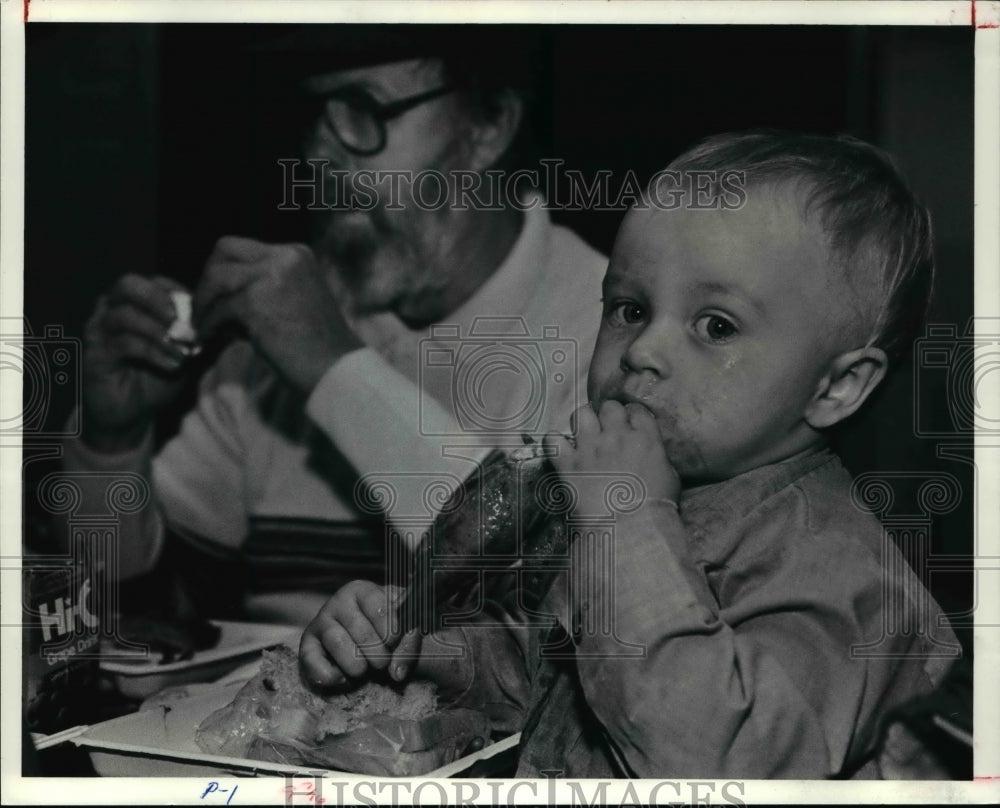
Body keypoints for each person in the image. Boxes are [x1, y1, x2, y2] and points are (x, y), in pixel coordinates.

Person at [300, 131, 961, 778]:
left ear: (837, 386)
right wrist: (432, 656)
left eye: (716, 326)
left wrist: (625, 527)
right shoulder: (648, 497)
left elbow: (716, 759)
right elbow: (568, 683)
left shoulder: (843, 580)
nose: (643, 350)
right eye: (629, 309)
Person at [61, 27, 608, 626]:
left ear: (489, 125)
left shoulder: (612, 332)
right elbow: (128, 609)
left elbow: (554, 624)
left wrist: (334, 370)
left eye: (363, 107)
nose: (318, 156)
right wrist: (111, 446)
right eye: (313, 112)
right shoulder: (281, 330)